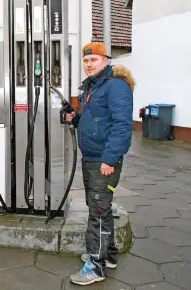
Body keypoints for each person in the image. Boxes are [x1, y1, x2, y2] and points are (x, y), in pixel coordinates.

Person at [67, 42, 135, 286]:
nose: (88, 64)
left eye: (93, 60)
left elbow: (122, 125)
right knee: (99, 207)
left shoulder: (116, 86)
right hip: (92, 157)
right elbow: (96, 121)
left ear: (106, 61)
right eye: (85, 61)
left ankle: (96, 265)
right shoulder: (92, 86)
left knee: (97, 211)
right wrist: (76, 119)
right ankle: (109, 254)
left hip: (104, 160)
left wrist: (109, 159)